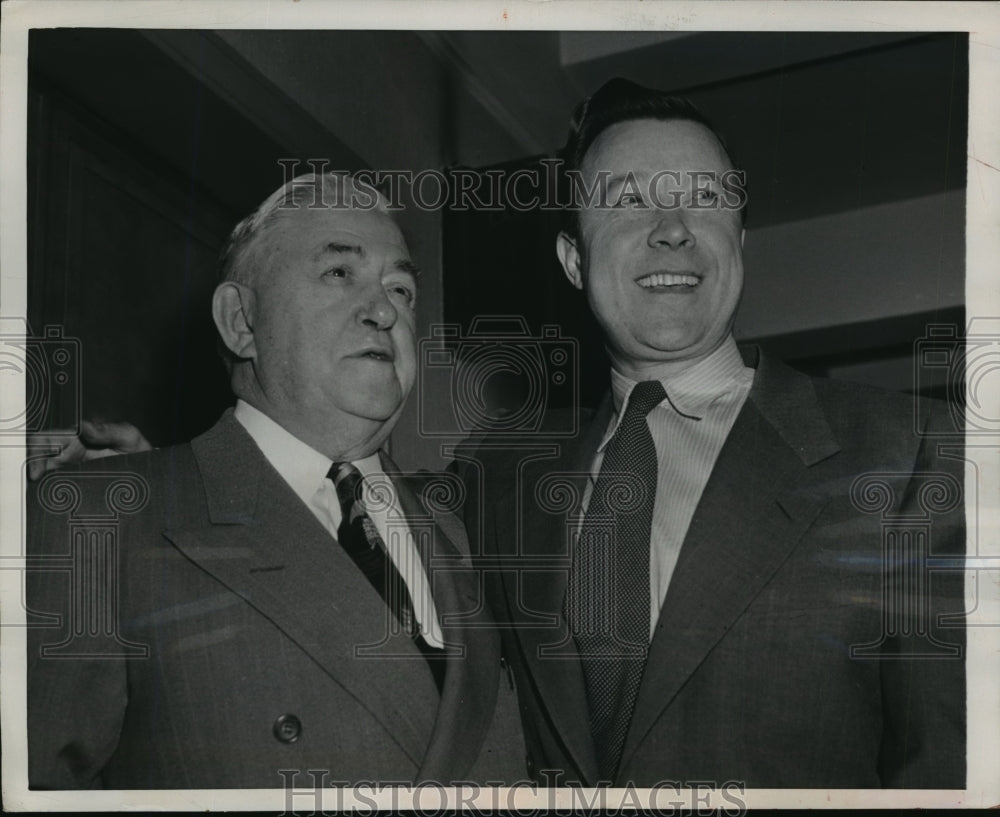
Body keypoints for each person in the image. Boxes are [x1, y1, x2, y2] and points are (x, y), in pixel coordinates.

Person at [454, 79, 966, 789]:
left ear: (740, 242)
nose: (672, 227)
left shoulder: (908, 453)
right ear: (574, 260)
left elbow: (947, 769)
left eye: (704, 196)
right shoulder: (498, 493)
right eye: (627, 200)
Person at [26, 173, 525, 789]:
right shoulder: (100, 522)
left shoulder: (479, 523)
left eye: (401, 288)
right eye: (338, 273)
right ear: (241, 321)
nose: (384, 310)